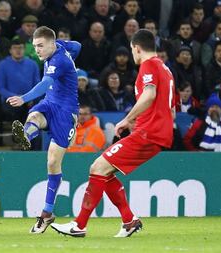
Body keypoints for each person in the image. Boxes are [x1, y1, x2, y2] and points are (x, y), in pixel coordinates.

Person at [51, 29, 175, 238]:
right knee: (104, 171)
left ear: (136, 48)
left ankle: (79, 224)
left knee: (97, 167)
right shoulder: (166, 69)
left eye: (132, 50)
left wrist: (128, 119)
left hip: (149, 133)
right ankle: (129, 220)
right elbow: (170, 107)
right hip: (155, 132)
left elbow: (149, 95)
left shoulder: (149, 65)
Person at [6, 26, 81, 233]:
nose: (37, 50)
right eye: (35, 46)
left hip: (66, 112)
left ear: (51, 44)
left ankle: (47, 213)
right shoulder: (63, 48)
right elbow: (78, 46)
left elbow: (45, 81)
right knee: (34, 116)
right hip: (50, 103)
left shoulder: (59, 60)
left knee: (52, 162)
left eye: (40, 46)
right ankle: (27, 135)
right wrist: (68, 48)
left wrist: (23, 98)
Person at [0, 38, 40, 124]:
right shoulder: (3, 65)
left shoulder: (33, 64)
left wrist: (29, 97)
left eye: (20, 48)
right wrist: (18, 98)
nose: (18, 50)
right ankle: (19, 136)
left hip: (30, 100)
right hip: (10, 101)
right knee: (18, 109)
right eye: (15, 48)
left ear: (24, 49)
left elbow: (37, 84)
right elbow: (1, 88)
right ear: (10, 50)